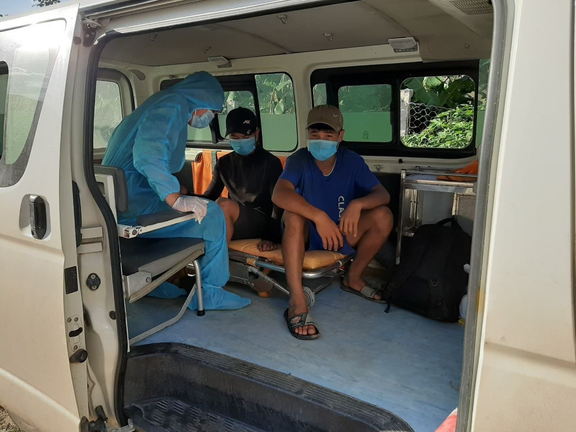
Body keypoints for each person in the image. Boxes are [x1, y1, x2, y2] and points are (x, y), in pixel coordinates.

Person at [102, 71, 250, 311]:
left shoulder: (158, 102)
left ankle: (155, 283)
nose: (210, 118)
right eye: (213, 112)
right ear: (202, 101)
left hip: (122, 200)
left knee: (195, 206)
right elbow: (148, 156)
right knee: (212, 213)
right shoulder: (174, 104)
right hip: (134, 205)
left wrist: (172, 190)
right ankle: (210, 292)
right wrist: (174, 199)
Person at [272, 105, 393, 339]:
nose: (321, 141)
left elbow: (382, 194)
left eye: (328, 135)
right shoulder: (299, 160)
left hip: (339, 233)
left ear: (340, 136)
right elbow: (279, 193)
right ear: (307, 135)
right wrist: (319, 216)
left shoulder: (352, 161)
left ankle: (353, 278)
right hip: (307, 234)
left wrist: (358, 204)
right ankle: (297, 301)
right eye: (315, 134)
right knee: (293, 215)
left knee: (383, 215)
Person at [203, 107, 283, 251]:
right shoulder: (224, 163)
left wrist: (271, 237)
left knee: (223, 205)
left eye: (245, 137)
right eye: (235, 137)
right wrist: (185, 195)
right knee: (210, 210)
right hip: (234, 218)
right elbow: (209, 197)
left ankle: (216, 260)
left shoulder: (270, 162)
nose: (240, 141)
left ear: (256, 134)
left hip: (262, 220)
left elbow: (277, 205)